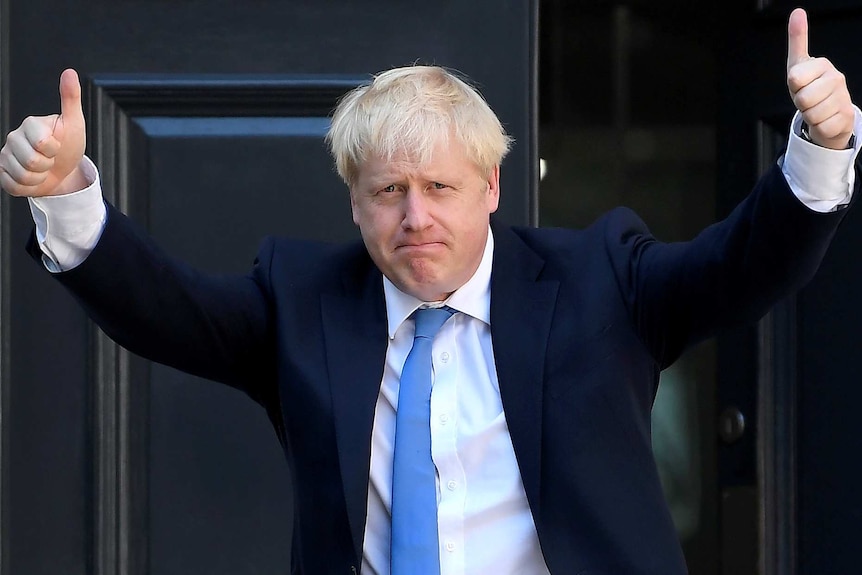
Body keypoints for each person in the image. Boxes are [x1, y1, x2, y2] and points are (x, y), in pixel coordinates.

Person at [0, 7, 858, 575]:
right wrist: (69, 190)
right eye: (388, 190)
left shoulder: (602, 279)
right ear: (355, 201)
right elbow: (167, 310)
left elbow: (740, 267)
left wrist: (820, 146)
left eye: (440, 188)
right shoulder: (302, 299)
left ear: (490, 187)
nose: (415, 216)